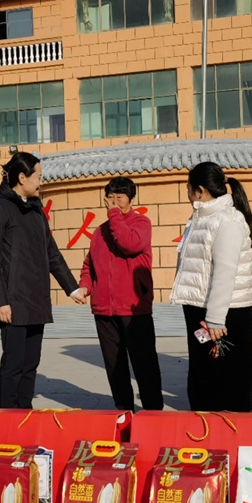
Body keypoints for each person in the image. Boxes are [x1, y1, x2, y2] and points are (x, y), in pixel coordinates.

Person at [0, 151, 84, 409]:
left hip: (36, 300)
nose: (41, 181)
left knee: (30, 364)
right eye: (38, 176)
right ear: (21, 177)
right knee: (13, 365)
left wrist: (72, 289)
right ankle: (7, 418)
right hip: (12, 303)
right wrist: (0, 301)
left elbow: (52, 253)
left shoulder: (37, 209)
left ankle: (24, 413)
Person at [170, 161, 252, 412]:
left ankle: (233, 427)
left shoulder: (227, 221)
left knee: (229, 378)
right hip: (200, 307)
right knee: (203, 375)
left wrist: (216, 319)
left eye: (188, 189)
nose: (187, 194)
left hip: (225, 312)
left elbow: (225, 271)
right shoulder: (200, 218)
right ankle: (205, 424)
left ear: (200, 190)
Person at [74, 176, 164, 411]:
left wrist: (114, 214)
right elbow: (89, 264)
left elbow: (128, 244)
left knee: (144, 365)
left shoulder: (141, 223)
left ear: (131, 199)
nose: (113, 202)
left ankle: (153, 413)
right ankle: (124, 411)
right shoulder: (99, 232)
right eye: (110, 197)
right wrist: (85, 286)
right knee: (115, 366)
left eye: (119, 197)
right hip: (104, 310)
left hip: (134, 309)